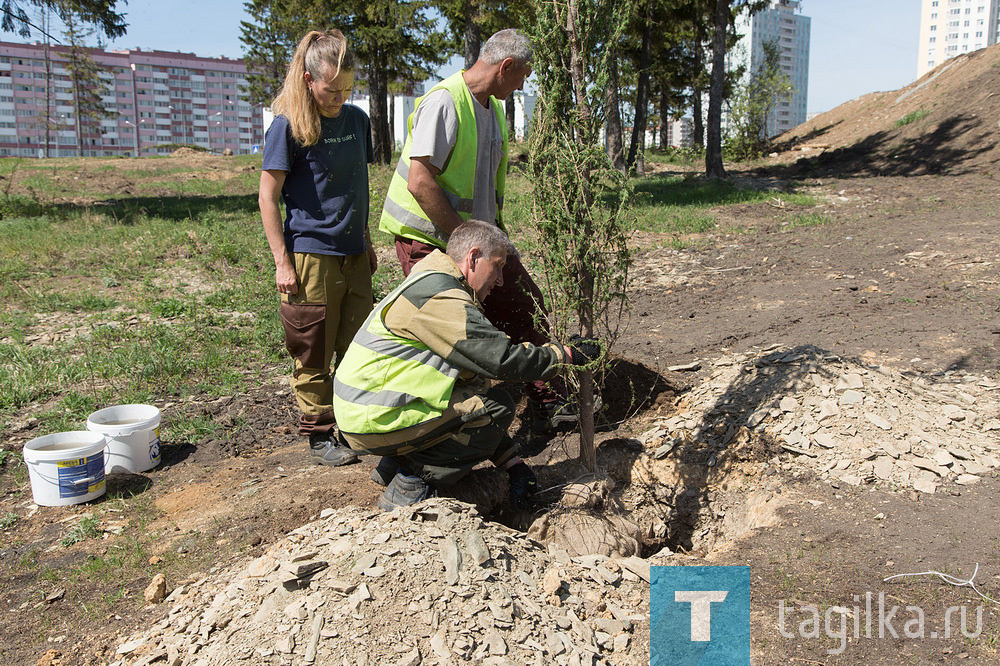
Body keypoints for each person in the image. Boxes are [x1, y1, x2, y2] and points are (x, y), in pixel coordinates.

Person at [378, 28, 580, 431]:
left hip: (475, 241)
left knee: (524, 304)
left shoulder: (493, 106)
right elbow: (420, 181)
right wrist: (464, 242)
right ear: (505, 66)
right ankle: (450, 426)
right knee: (459, 328)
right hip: (431, 242)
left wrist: (497, 245)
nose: (524, 83)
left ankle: (542, 401)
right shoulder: (445, 103)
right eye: (523, 75)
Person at [332, 220, 601, 511]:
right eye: (497, 266)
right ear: (473, 258)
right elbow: (501, 359)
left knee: (479, 395)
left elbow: (469, 389)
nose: (500, 279)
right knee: (498, 405)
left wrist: (512, 463)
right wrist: (565, 356)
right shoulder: (441, 297)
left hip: (371, 411)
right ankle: (411, 484)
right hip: (375, 417)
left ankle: (398, 462)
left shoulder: (432, 282)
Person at [258, 29, 376, 467]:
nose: (339, 97)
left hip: (354, 253)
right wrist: (281, 262)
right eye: (331, 89)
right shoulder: (287, 126)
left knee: (358, 344)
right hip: (311, 256)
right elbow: (268, 197)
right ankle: (319, 432)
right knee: (314, 349)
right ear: (309, 80)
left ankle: (353, 424)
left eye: (347, 88)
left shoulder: (357, 121)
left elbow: (355, 188)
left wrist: (364, 240)